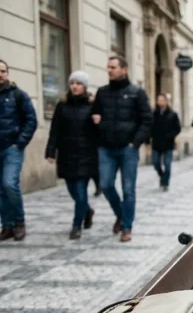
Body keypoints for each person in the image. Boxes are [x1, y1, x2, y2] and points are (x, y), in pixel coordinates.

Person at [91, 56, 152, 243]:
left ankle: (126, 227)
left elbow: (147, 120)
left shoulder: (137, 93)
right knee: (106, 185)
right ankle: (120, 214)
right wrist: (96, 122)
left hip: (128, 149)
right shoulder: (102, 92)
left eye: (113, 67)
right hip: (106, 148)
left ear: (124, 70)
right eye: (108, 67)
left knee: (128, 189)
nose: (109, 70)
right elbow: (94, 114)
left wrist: (135, 143)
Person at [45, 71, 98, 240]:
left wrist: (99, 123)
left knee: (81, 192)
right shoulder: (62, 106)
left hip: (86, 155)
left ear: (85, 87)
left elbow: (99, 133)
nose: (75, 86)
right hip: (66, 154)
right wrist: (50, 151)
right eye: (72, 83)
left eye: (79, 83)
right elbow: (55, 131)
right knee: (72, 190)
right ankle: (87, 211)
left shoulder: (93, 107)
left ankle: (76, 225)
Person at [0, 59, 38, 241]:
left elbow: (31, 120)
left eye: (2, 71)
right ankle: (7, 226)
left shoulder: (18, 95)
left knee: (9, 184)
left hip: (12, 148)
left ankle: (19, 222)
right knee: (1, 189)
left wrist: (19, 142)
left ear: (7, 73)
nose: (0, 74)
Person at [150, 93, 180, 191]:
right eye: (158, 100)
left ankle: (165, 183)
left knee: (167, 164)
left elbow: (178, 128)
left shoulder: (173, 114)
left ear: (166, 101)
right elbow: (149, 127)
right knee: (155, 163)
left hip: (168, 143)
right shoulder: (153, 114)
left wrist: (171, 135)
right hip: (156, 143)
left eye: (162, 100)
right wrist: (148, 139)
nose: (160, 102)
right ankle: (162, 176)